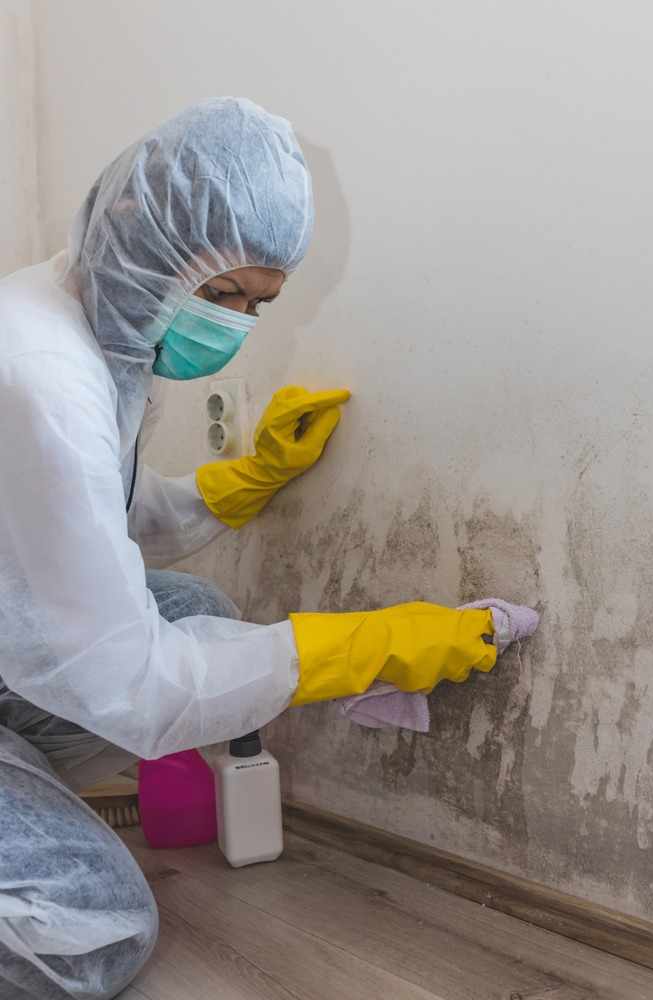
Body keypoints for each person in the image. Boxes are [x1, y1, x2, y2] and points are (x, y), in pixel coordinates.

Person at [0, 98, 538, 999]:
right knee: (90, 930)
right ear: (135, 227)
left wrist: (249, 478)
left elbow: (82, 523)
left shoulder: (89, 321)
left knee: (195, 613)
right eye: (221, 296)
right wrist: (361, 645)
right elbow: (126, 681)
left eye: (258, 304)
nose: (235, 326)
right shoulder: (40, 375)